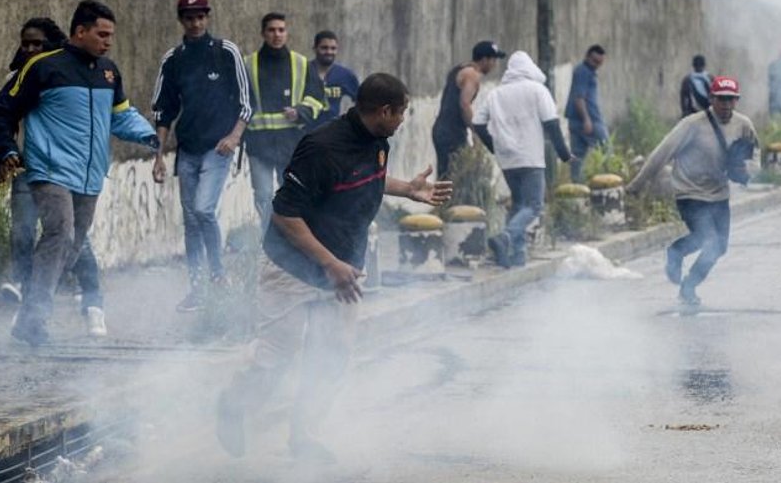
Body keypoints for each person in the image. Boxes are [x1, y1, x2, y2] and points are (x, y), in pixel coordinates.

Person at [215, 73, 452, 462]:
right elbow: (284, 215)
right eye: (403, 112)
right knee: (278, 356)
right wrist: (328, 263)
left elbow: (367, 179)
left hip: (343, 272)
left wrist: (407, 188)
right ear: (384, 110)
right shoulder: (321, 147)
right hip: (292, 267)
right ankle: (233, 404)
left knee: (334, 354)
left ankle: (303, 436)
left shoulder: (377, 140)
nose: (404, 119)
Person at [0, 0, 158, 345]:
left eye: (111, 35)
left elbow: (121, 116)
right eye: (102, 34)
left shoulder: (109, 71)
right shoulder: (43, 67)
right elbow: (1, 112)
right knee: (60, 233)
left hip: (90, 175)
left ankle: (28, 313)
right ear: (80, 32)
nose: (108, 41)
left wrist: (150, 135)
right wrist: (7, 150)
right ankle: (36, 318)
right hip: (49, 170)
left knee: (73, 246)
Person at [0, 18, 102, 315]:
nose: (30, 49)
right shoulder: (22, 78)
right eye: (25, 43)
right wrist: (8, 151)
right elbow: (0, 116)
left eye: (37, 43)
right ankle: (31, 301)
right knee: (22, 233)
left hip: (67, 171)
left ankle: (92, 298)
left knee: (70, 235)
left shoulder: (68, 74)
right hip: (31, 168)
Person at [151, 0, 252, 313]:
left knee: (204, 209)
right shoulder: (174, 59)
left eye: (200, 17)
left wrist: (234, 137)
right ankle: (197, 288)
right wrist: (158, 155)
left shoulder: (226, 52)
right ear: (181, 20)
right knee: (191, 220)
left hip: (218, 148)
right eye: (188, 17)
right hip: (188, 149)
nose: (195, 23)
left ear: (207, 18)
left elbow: (247, 103)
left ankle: (218, 275)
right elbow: (164, 110)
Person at [627, 76, 758, 306]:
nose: (726, 105)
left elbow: (756, 156)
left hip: (719, 193)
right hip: (690, 192)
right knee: (708, 238)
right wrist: (637, 185)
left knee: (719, 247)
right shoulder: (692, 124)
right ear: (711, 99)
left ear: (736, 100)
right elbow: (662, 153)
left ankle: (689, 285)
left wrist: (746, 169)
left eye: (731, 100)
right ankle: (676, 252)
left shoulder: (743, 124)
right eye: (721, 99)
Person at [472, 51, 573, 268]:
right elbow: (552, 124)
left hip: (507, 160)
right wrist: (564, 154)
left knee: (519, 204)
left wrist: (494, 147)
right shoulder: (537, 90)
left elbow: (478, 123)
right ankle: (506, 237)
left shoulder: (496, 94)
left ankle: (517, 256)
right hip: (530, 157)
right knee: (534, 206)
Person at [243, 12, 325, 232]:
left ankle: (293, 241)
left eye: (281, 30)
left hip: (291, 144)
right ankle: (269, 240)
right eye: (271, 30)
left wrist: (300, 111)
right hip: (259, 144)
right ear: (263, 34)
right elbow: (240, 102)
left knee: (292, 195)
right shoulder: (248, 64)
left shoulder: (301, 64)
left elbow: (318, 99)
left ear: (287, 33)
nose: (276, 35)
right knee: (262, 195)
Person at [431, 41, 504, 179]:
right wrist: (476, 131)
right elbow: (464, 104)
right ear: (484, 60)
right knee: (454, 178)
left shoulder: (461, 68)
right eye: (493, 60)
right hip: (451, 133)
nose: (495, 64)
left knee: (447, 176)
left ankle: (447, 200)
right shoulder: (472, 75)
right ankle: (449, 201)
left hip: (444, 130)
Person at [564, 44, 608, 183]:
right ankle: (607, 184)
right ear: (587, 57)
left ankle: (578, 186)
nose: (597, 65)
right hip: (589, 122)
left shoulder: (585, 71)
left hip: (578, 122)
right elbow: (579, 98)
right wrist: (586, 119)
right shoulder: (583, 71)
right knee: (606, 150)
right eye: (595, 61)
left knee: (577, 157)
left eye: (600, 63)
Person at [311, 30, 359, 127]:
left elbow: (361, 102)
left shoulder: (345, 75)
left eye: (333, 48)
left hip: (331, 130)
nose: (329, 52)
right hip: (305, 131)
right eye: (324, 48)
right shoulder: (304, 71)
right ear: (315, 48)